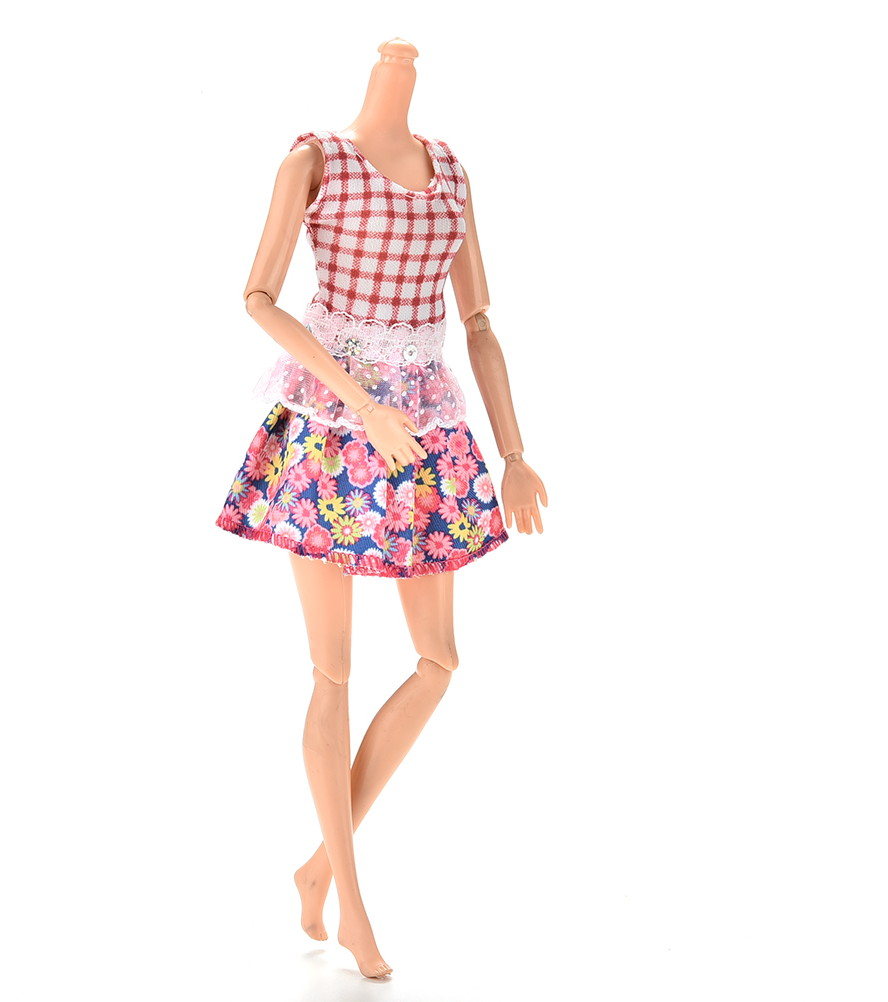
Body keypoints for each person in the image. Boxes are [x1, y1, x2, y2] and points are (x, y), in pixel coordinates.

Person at [216, 37, 547, 979]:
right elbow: (258, 297)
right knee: (333, 670)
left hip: (425, 434)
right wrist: (361, 403)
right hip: (332, 428)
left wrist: (514, 452)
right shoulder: (315, 159)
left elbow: (477, 322)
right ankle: (352, 904)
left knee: (439, 661)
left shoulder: (451, 174)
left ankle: (320, 866)